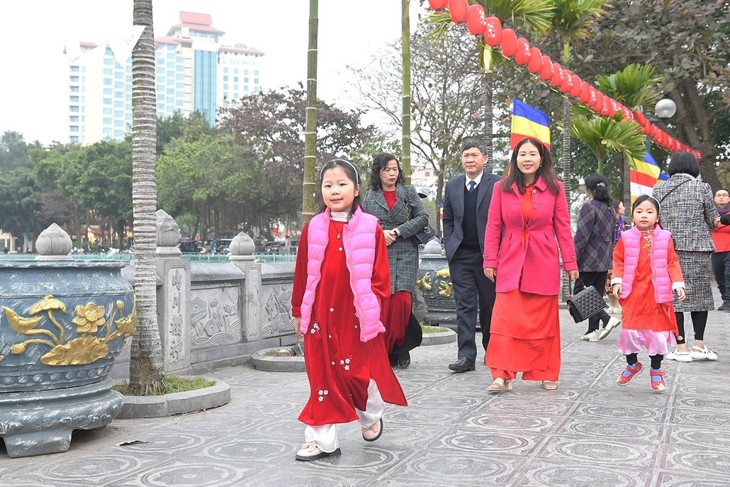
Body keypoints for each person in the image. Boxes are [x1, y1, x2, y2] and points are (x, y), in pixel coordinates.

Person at [290, 159, 407, 462]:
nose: (334, 190)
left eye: (341, 184)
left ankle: (370, 413)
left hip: (355, 315)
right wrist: (298, 311)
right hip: (319, 314)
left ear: (356, 189)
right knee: (321, 376)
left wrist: (374, 310)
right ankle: (322, 439)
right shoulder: (313, 227)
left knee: (355, 373)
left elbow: (381, 278)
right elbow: (303, 272)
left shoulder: (371, 228)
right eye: (328, 185)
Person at [482, 138, 579, 393]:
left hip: (543, 260)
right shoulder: (501, 188)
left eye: (532, 154)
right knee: (504, 320)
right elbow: (493, 227)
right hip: (510, 261)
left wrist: (570, 263)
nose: (527, 159)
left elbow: (563, 228)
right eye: (522, 154)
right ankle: (502, 374)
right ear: (515, 159)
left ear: (541, 158)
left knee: (543, 322)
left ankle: (546, 371)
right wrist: (490, 259)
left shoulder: (555, 188)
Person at [610, 195, 686, 392]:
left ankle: (656, 370)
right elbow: (618, 260)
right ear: (633, 215)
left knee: (657, 336)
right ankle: (633, 364)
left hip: (657, 296)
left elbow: (672, 262)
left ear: (657, 217)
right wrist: (617, 281)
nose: (644, 215)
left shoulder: (666, 237)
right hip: (633, 294)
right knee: (629, 333)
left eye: (649, 212)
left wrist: (677, 283)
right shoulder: (625, 238)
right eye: (639, 211)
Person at [652, 152, 720, 362]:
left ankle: (680, 347)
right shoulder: (702, 188)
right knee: (699, 297)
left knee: (675, 298)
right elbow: (712, 220)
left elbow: (654, 221)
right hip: (697, 249)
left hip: (667, 249)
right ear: (693, 167)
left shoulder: (659, 189)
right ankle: (698, 346)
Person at [363, 153, 427, 368]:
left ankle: (402, 346)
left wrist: (398, 231)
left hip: (406, 250)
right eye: (387, 170)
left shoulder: (408, 192)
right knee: (385, 302)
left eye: (394, 169)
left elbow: (422, 217)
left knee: (402, 301)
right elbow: (363, 223)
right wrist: (382, 233)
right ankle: (385, 349)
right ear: (378, 172)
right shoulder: (370, 197)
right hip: (381, 253)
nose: (392, 173)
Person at [442, 139, 501, 372]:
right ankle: (465, 356)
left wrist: (496, 253)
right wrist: (449, 242)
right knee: (464, 306)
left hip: (488, 257)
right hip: (461, 256)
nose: (470, 160)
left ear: (485, 159)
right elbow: (447, 218)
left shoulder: (497, 184)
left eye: (474, 155)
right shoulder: (453, 185)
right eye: (466, 155)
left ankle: (493, 351)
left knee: (490, 305)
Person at [573, 173, 622, 342]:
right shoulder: (610, 208)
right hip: (604, 259)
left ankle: (607, 319)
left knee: (580, 292)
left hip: (588, 260)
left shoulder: (589, 207)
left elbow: (581, 236)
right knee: (596, 293)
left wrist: (573, 259)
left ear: (589, 190)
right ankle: (592, 330)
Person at [710, 189, 730, 311]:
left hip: (729, 249)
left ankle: (729, 301)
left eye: (724, 195)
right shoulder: (710, 213)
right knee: (719, 276)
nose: (721, 197)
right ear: (714, 199)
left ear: (728, 198)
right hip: (716, 250)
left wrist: (718, 223)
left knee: (729, 275)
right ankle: (725, 299)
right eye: (719, 195)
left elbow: (714, 226)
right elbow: (710, 225)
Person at [606, 198, 626, 314]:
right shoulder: (610, 220)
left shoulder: (622, 221)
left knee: (616, 276)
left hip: (619, 249)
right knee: (607, 278)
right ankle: (611, 304)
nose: (623, 208)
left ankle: (618, 303)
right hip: (608, 250)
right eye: (621, 206)